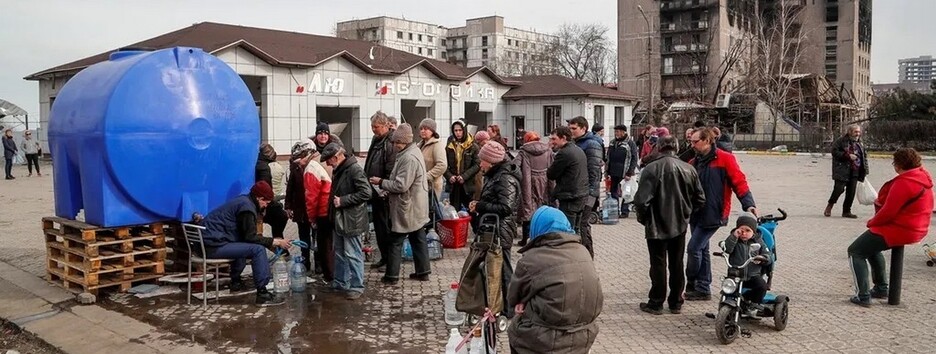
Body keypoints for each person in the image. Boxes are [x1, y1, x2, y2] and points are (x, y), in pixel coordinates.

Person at [507, 206, 603, 354]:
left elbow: (513, 297)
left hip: (547, 339)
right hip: (585, 334)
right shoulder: (583, 251)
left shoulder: (531, 259)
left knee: (514, 329)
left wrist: (522, 303)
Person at [847, 148, 934, 307]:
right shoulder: (921, 177)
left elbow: (889, 211)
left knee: (855, 251)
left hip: (901, 228)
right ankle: (881, 288)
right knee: (871, 247)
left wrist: (872, 222)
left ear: (899, 165)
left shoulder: (905, 182)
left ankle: (863, 295)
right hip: (916, 227)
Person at [633, 136, 705, 315]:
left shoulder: (651, 168)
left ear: (659, 148)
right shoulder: (689, 169)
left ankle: (656, 302)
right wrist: (686, 213)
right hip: (679, 224)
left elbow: (641, 201)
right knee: (676, 263)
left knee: (658, 264)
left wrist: (644, 219)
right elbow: (700, 199)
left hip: (656, 223)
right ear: (677, 147)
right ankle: (675, 302)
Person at [686, 127, 756, 301]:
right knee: (703, 249)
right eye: (691, 141)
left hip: (714, 213)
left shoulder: (725, 159)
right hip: (695, 212)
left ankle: (692, 283)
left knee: (694, 248)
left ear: (707, 141)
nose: (692, 145)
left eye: (696, 141)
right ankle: (703, 288)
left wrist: (749, 204)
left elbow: (739, 182)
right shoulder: (694, 162)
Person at [200, 181, 291, 306]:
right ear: (259, 198)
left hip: (208, 243)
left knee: (245, 247)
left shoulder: (243, 201)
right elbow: (250, 237)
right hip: (212, 246)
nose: (265, 206)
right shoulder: (247, 208)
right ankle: (262, 294)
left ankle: (236, 282)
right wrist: (275, 241)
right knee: (257, 249)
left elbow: (245, 237)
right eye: (266, 203)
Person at [369, 123, 431, 284]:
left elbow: (401, 185)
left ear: (405, 141)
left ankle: (391, 276)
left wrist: (381, 182)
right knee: (418, 237)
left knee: (395, 240)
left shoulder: (408, 157)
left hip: (407, 206)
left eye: (398, 142)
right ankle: (423, 272)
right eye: (394, 142)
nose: (395, 145)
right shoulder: (412, 152)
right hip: (415, 204)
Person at [470, 141, 520, 317]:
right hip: (493, 229)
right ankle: (497, 303)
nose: (480, 164)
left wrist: (481, 206)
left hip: (501, 229)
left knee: (504, 269)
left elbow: (506, 207)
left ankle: (510, 309)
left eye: (482, 160)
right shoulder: (494, 175)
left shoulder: (505, 178)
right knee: (496, 268)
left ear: (490, 161)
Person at [321, 143, 372, 300]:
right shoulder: (342, 169)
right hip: (341, 219)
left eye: (329, 161)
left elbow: (366, 192)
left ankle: (356, 285)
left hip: (351, 220)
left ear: (336, 157)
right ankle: (341, 281)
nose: (328, 164)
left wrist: (343, 201)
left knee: (352, 253)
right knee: (340, 252)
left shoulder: (354, 170)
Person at [546, 126, 591, 256]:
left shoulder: (564, 153)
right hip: (580, 195)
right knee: (576, 229)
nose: (551, 142)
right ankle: (580, 256)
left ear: (564, 138)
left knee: (568, 231)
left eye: (554, 139)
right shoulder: (577, 150)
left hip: (570, 197)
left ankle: (572, 258)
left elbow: (551, 174)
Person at [364, 111, 397, 270]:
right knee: (378, 227)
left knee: (386, 228)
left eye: (376, 127)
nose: (373, 130)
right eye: (372, 126)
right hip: (374, 190)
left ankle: (390, 261)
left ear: (385, 126)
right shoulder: (376, 140)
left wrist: (385, 186)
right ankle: (384, 257)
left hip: (384, 191)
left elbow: (391, 168)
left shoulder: (390, 142)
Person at [568, 116, 604, 258]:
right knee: (580, 224)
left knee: (583, 224)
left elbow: (593, 171)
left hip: (588, 192)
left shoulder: (591, 144)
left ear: (583, 128)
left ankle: (588, 256)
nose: (571, 131)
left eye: (574, 128)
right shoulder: (577, 143)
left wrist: (588, 193)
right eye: (570, 128)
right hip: (579, 190)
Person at [723, 213, 772, 314]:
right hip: (735, 275)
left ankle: (754, 304)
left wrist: (763, 258)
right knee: (727, 287)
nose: (744, 233)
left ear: (753, 232)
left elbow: (768, 255)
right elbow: (727, 249)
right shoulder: (734, 240)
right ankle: (723, 306)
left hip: (752, 276)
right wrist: (734, 236)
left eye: (748, 231)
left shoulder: (758, 242)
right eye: (741, 230)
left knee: (762, 286)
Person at [302, 142, 334, 282]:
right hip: (331, 209)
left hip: (322, 211)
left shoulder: (311, 169)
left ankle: (330, 277)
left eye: (298, 159)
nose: (298, 163)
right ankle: (335, 274)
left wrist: (312, 218)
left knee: (324, 246)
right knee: (332, 244)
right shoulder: (319, 163)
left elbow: (311, 197)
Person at [516, 131, 554, 246]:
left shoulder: (523, 152)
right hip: (545, 182)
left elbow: (515, 165)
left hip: (528, 184)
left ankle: (525, 239)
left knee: (528, 209)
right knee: (544, 207)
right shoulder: (548, 151)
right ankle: (543, 236)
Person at [825, 124, 869, 219]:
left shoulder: (860, 143)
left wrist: (865, 170)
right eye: (855, 132)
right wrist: (847, 156)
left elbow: (864, 157)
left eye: (858, 131)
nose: (857, 134)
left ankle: (846, 211)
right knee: (838, 189)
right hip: (842, 170)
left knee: (851, 192)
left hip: (855, 170)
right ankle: (830, 205)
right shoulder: (841, 141)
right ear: (849, 132)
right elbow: (834, 152)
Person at [285, 141, 315, 271]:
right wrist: (288, 206)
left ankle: (319, 263)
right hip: (300, 208)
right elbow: (290, 187)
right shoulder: (295, 167)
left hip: (313, 207)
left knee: (316, 237)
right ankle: (305, 262)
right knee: (303, 237)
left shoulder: (314, 166)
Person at [444, 120, 480, 211]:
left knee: (470, 210)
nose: (458, 133)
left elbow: (477, 165)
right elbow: (443, 164)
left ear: (464, 130)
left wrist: (464, 176)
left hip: (467, 184)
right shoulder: (449, 146)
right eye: (456, 131)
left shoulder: (473, 146)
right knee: (454, 210)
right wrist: (449, 176)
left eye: (460, 130)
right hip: (453, 184)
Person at [255, 144, 287, 239]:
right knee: (281, 217)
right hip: (262, 204)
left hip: (257, 202)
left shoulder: (257, 163)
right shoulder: (264, 168)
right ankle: (277, 244)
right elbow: (265, 189)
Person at [606, 125, 639, 218]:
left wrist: (629, 172)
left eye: (618, 131)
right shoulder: (613, 143)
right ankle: (614, 211)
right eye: (615, 131)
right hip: (613, 172)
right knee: (613, 192)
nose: (616, 133)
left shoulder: (630, 143)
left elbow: (634, 158)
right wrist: (607, 171)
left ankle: (625, 211)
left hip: (625, 172)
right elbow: (608, 157)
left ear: (623, 132)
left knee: (626, 192)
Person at [418, 118, 447, 198]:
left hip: (432, 187)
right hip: (420, 185)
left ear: (432, 131)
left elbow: (442, 165)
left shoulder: (437, 145)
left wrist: (427, 176)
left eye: (426, 129)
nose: (423, 131)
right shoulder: (419, 145)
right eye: (421, 129)